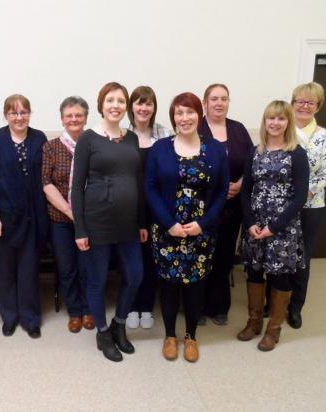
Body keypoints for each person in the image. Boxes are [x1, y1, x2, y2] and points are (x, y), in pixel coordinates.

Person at [146, 92, 229, 362]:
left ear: (199, 114)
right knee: (169, 286)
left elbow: (222, 191)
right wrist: (169, 224)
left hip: (201, 234)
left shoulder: (215, 149)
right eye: (179, 113)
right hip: (167, 232)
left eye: (190, 112)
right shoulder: (160, 148)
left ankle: (191, 336)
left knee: (195, 287)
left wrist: (203, 224)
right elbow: (150, 188)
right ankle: (170, 335)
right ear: (173, 118)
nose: (185, 118)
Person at [71, 82, 147, 362]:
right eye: (110, 100)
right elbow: (76, 187)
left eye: (120, 101)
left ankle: (119, 324)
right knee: (97, 279)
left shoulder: (131, 139)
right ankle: (103, 332)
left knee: (135, 275)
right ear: (101, 104)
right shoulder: (88, 139)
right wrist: (80, 228)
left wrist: (141, 222)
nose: (115, 105)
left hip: (128, 222)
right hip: (97, 222)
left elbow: (137, 181)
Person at [238, 100, 309, 352]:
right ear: (264, 121)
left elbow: (300, 196)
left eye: (280, 119)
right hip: (255, 225)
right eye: (271, 118)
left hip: (283, 227)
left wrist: (275, 226)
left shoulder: (297, 154)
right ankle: (254, 321)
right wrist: (250, 223)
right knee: (255, 272)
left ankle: (274, 329)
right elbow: (246, 190)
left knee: (279, 275)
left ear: (288, 122)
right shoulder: (255, 152)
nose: (275, 123)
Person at [0, 94, 48, 339]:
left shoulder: (39, 138)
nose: (19, 117)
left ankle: (30, 319)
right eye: (13, 113)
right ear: (6, 115)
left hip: (33, 217)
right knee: (6, 270)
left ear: (30, 113)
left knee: (29, 270)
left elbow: (45, 178)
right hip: (4, 217)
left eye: (23, 112)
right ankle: (9, 317)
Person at [199, 84, 253, 326]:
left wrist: (241, 183)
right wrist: (219, 189)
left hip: (233, 207)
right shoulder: (195, 127)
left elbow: (252, 161)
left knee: (223, 255)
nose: (219, 103)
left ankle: (219, 305)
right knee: (201, 255)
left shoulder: (239, 129)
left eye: (224, 99)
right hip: (203, 206)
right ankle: (197, 306)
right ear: (205, 103)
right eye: (214, 99)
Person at [42, 96, 95, 333]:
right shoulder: (51, 147)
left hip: (89, 218)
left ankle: (88, 309)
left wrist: (82, 213)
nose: (74, 119)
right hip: (60, 218)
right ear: (62, 119)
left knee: (87, 266)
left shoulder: (95, 143)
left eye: (78, 115)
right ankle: (74, 311)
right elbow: (46, 183)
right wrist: (69, 210)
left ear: (85, 117)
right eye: (69, 115)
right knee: (67, 267)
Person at [286, 82, 326, 329]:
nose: (304, 106)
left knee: (302, 257)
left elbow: (324, 175)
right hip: (281, 206)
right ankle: (272, 302)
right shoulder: (283, 130)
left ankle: (295, 307)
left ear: (318, 106)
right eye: (300, 101)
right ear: (292, 103)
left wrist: (299, 195)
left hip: (310, 206)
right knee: (278, 254)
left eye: (310, 102)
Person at [126, 85, 172, 330]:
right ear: (131, 106)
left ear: (154, 107)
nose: (143, 108)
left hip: (158, 205)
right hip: (130, 207)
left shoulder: (164, 134)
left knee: (152, 258)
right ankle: (132, 305)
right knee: (132, 259)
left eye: (149, 103)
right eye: (139, 103)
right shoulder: (123, 135)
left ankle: (146, 306)